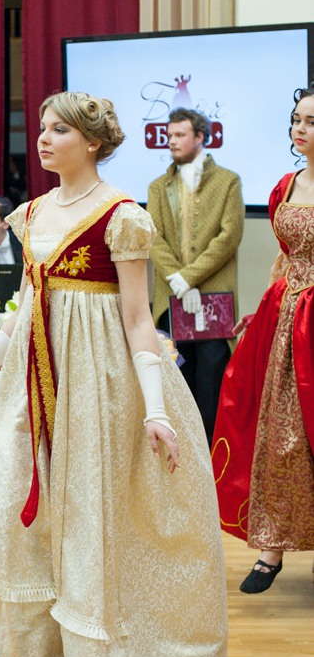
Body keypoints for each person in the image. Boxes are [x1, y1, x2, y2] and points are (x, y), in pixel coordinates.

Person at [0, 92, 227, 657]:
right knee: (5, 511)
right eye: (42, 128)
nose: (43, 138)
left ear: (92, 142)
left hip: (100, 386)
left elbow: (138, 320)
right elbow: (22, 314)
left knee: (90, 521)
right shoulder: (32, 214)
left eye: (59, 129)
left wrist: (155, 410)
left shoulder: (123, 217)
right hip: (34, 384)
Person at [213, 87, 314, 594]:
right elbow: (284, 257)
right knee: (278, 432)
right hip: (287, 316)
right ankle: (271, 547)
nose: (300, 129)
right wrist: (261, 311)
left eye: (311, 122)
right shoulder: (285, 184)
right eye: (297, 119)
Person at [147, 109, 244, 445]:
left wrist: (188, 278)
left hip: (213, 303)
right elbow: (154, 237)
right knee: (176, 384)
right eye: (169, 135)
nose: (172, 141)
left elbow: (229, 236)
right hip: (171, 300)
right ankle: (179, 460)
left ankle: (213, 462)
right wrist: (176, 280)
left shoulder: (227, 181)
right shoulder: (158, 186)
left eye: (180, 135)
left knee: (211, 387)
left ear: (200, 137)